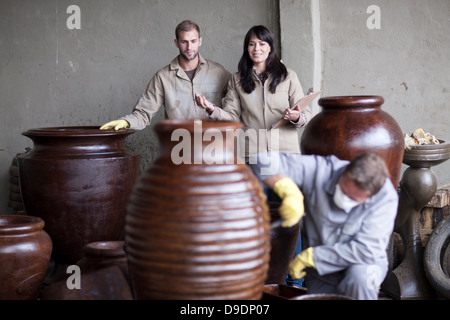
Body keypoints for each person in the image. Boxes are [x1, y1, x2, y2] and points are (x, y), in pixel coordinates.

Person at [248, 152, 399, 300]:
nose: (345, 201)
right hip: (321, 272)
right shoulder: (322, 170)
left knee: (360, 277)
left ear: (369, 196)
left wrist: (313, 257)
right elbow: (262, 161)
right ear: (345, 172)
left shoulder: (385, 197)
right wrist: (287, 189)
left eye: (353, 199)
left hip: (360, 264)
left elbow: (367, 250)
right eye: (344, 191)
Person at [195, 25, 312, 161]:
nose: (257, 49)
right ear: (247, 49)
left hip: (286, 152)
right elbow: (232, 117)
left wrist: (296, 116)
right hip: (252, 153)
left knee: (286, 184)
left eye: (262, 44)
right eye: (252, 44)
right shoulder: (237, 79)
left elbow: (306, 115)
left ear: (270, 48)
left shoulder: (288, 76)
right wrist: (212, 110)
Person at [100, 20, 231, 131]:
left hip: (214, 150)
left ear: (200, 41)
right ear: (176, 43)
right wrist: (126, 122)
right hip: (179, 152)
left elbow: (238, 96)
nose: (189, 47)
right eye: (184, 42)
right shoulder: (163, 77)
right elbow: (143, 114)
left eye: (193, 41)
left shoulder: (217, 71)